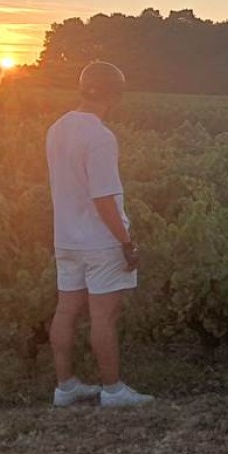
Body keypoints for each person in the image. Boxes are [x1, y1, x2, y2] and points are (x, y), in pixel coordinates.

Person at [46, 61, 153, 408]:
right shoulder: (101, 137)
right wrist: (126, 242)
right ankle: (112, 390)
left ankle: (65, 387)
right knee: (104, 316)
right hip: (100, 241)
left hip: (66, 238)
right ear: (115, 95)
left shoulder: (56, 129)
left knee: (66, 312)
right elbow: (103, 198)